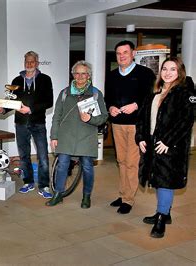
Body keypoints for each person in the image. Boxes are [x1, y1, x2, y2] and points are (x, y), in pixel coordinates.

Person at [136, 57, 194, 238]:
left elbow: (186, 121)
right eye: (165, 69)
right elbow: (142, 118)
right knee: (158, 178)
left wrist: (168, 142)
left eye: (173, 69)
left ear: (180, 72)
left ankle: (161, 219)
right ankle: (163, 212)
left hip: (170, 146)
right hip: (152, 142)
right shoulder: (155, 92)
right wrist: (141, 138)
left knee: (165, 181)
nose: (168, 73)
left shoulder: (184, 92)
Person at [46, 61, 108, 207]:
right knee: (62, 166)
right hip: (66, 137)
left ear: (88, 76)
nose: (80, 76)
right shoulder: (65, 93)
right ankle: (58, 194)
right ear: (73, 75)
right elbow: (57, 116)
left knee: (87, 166)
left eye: (84, 73)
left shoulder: (95, 93)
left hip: (86, 137)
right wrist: (54, 136)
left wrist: (90, 119)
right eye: (77, 73)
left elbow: (104, 117)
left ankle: (86, 196)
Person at [104, 40, 156, 214]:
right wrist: (110, 107)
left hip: (136, 125)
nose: (122, 56)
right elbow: (108, 98)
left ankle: (128, 199)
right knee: (121, 161)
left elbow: (150, 98)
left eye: (125, 52)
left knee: (132, 163)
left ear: (133, 53)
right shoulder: (111, 75)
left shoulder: (145, 74)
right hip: (117, 124)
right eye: (118, 53)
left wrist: (136, 105)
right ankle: (123, 193)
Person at [0, 51, 53, 198]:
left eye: (32, 61)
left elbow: (49, 102)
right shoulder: (16, 80)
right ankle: (28, 182)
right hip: (20, 124)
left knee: (43, 156)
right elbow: (11, 100)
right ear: (24, 62)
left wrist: (31, 109)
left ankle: (44, 186)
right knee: (24, 156)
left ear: (37, 63)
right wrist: (3, 109)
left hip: (38, 123)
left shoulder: (45, 79)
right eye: (27, 61)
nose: (29, 64)